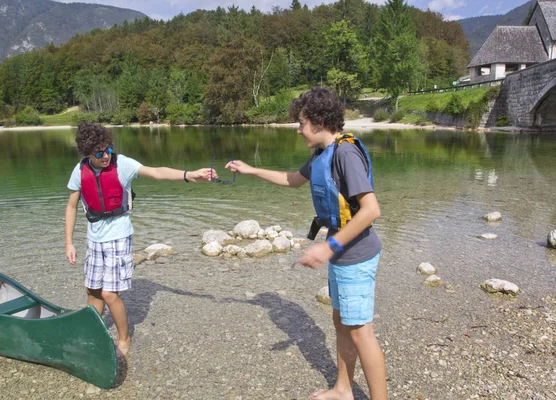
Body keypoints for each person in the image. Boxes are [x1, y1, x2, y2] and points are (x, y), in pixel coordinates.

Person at [225, 87, 387, 400]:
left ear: (318, 120)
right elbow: (293, 180)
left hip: (355, 255)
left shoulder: (345, 153)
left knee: (361, 333)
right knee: (342, 325)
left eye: (301, 123)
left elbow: (371, 210)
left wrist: (329, 247)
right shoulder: (321, 154)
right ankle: (343, 389)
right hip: (342, 255)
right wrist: (250, 169)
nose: (298, 130)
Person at [65, 123, 216, 357]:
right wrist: (68, 242)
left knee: (109, 294)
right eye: (98, 153)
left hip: (118, 236)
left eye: (108, 149)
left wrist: (189, 175)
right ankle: (93, 332)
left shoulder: (121, 164)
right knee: (93, 290)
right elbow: (72, 206)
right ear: (87, 154)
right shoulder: (80, 169)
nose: (105, 156)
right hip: (94, 238)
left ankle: (124, 340)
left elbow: (156, 172)